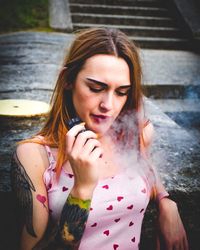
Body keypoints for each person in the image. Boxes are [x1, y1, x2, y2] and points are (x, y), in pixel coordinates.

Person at [10, 27, 189, 250]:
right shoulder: (34, 156)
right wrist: (82, 190)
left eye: (121, 92)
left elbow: (147, 166)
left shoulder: (134, 135)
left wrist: (166, 201)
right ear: (67, 80)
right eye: (96, 88)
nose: (108, 105)